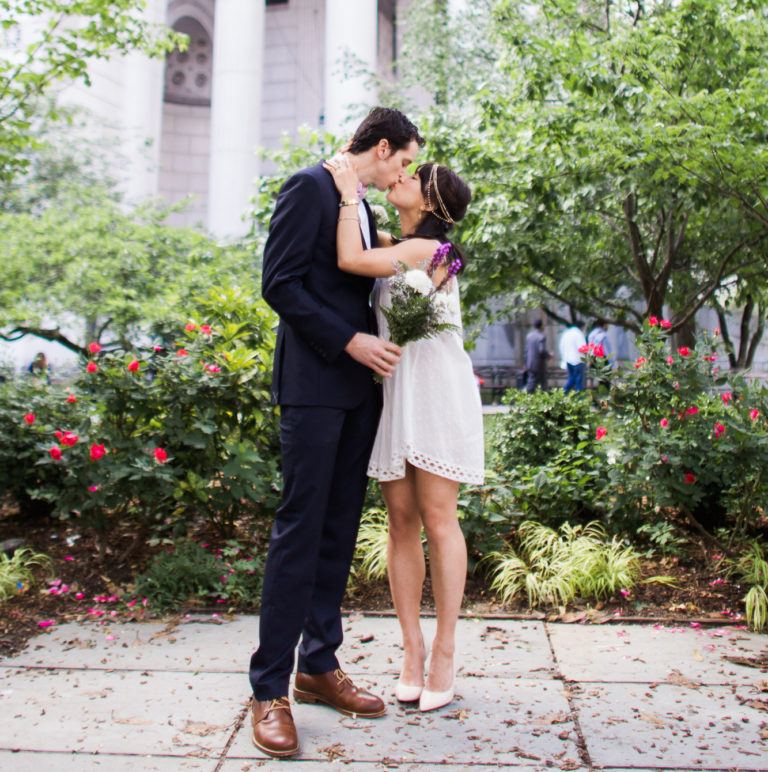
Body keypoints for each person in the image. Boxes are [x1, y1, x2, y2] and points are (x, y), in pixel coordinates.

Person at [250, 107, 423, 759]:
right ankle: (269, 689)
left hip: (359, 395)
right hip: (315, 388)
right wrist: (349, 341)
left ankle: (318, 665)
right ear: (381, 147)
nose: (404, 173)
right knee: (299, 532)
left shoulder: (357, 199)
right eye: (404, 161)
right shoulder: (308, 186)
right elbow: (280, 285)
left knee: (338, 530)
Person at [323, 156, 484, 714]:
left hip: (436, 390)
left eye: (413, 177)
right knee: (400, 521)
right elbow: (370, 235)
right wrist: (357, 194)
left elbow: (349, 256)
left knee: (439, 520)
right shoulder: (407, 241)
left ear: (433, 203)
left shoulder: (424, 252)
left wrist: (347, 193)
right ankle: (410, 650)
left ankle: (444, 650)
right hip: (398, 391)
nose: (402, 177)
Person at [559, 323, 587, 392]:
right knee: (578, 381)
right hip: (578, 361)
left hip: (568, 360)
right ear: (582, 327)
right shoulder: (578, 334)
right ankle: (578, 397)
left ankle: (564, 393)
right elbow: (582, 348)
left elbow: (561, 346)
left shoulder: (566, 333)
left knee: (572, 378)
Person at [524, 319, 549, 392]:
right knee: (543, 382)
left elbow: (526, 351)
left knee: (531, 381)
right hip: (539, 364)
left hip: (530, 363)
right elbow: (541, 351)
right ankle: (545, 400)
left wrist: (526, 363)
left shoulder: (529, 336)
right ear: (541, 326)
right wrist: (548, 355)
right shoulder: (541, 336)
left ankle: (528, 398)